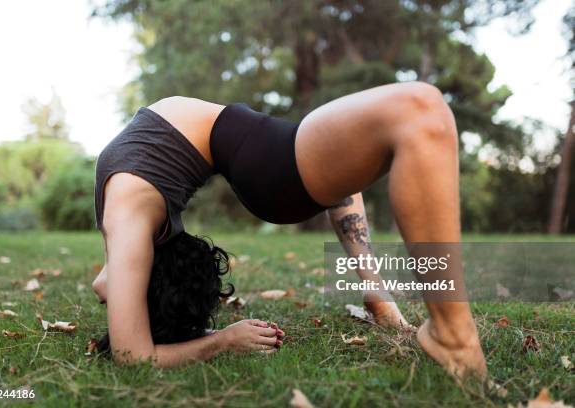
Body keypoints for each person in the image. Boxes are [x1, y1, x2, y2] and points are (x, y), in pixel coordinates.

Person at [91, 82, 487, 378]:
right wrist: (223, 339)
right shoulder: (129, 230)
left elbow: (107, 283)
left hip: (249, 146)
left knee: (342, 174)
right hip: (259, 165)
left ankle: (378, 299)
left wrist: (127, 288)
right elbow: (133, 356)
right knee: (421, 109)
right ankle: (452, 336)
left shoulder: (125, 236)